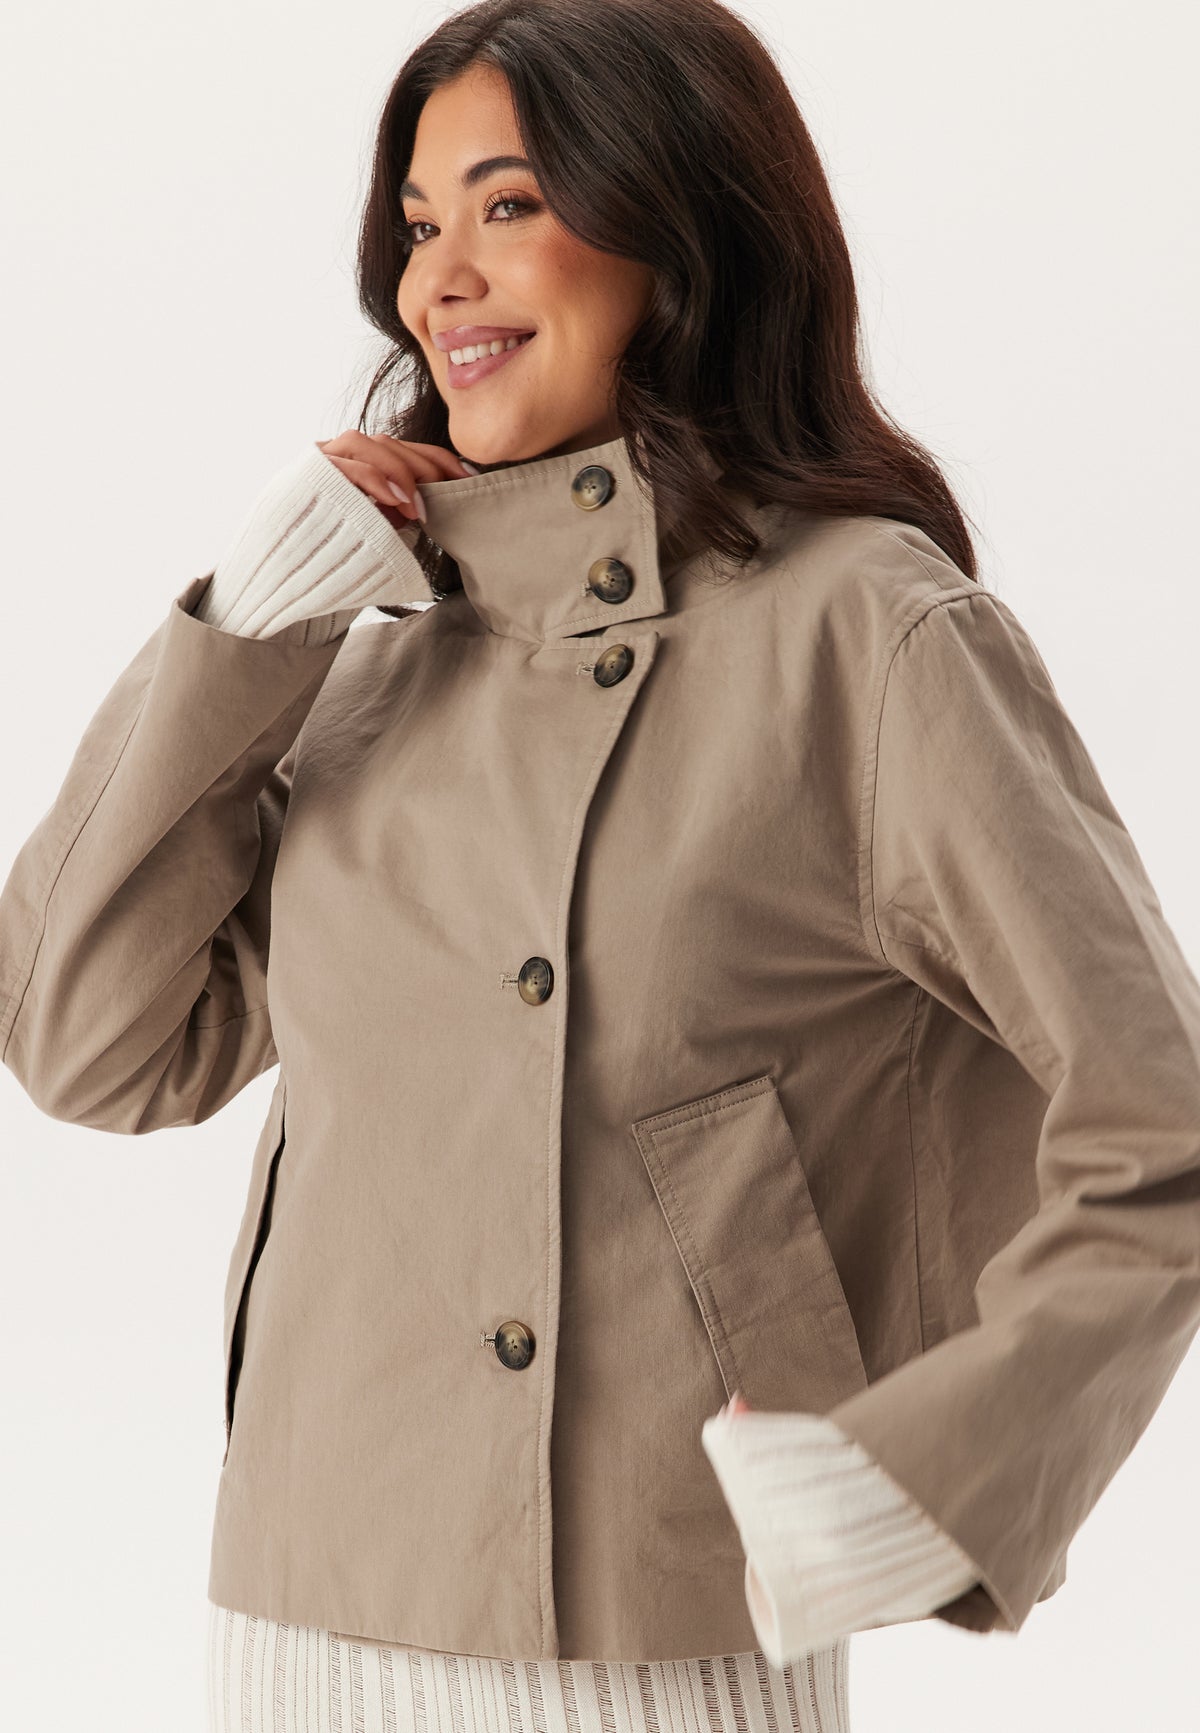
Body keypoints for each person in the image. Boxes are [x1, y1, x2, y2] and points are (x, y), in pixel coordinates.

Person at [4, 3, 1199, 1730]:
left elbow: (1161, 1123)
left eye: (508, 204)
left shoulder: (864, 633)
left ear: (677, 229)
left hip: (652, 1636)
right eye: (420, 225)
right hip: (293, 1618)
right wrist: (246, 628)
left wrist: (936, 1469)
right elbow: (86, 1041)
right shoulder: (378, 660)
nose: (440, 281)